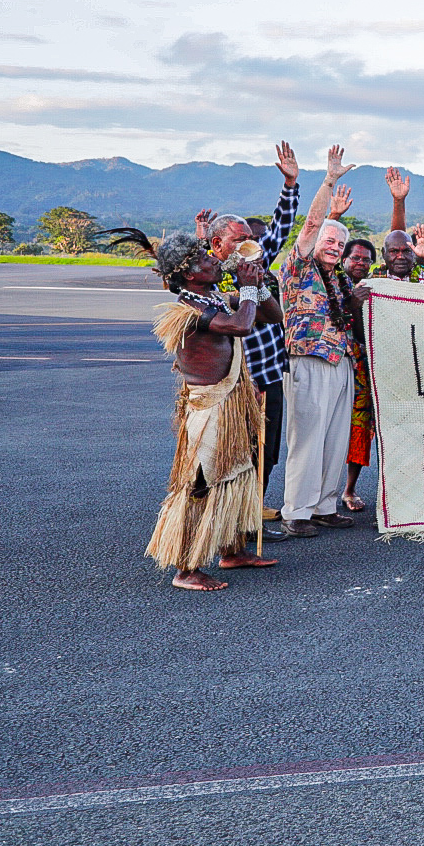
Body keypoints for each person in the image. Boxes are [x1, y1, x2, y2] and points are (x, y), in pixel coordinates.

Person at [129, 230, 283, 591]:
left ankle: (232, 551)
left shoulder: (215, 298)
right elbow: (241, 326)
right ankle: (186, 567)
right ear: (188, 273)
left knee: (239, 474)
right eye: (204, 257)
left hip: (234, 405)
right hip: (210, 408)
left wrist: (257, 284)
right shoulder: (186, 311)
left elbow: (272, 316)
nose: (215, 259)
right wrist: (245, 290)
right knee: (201, 483)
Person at [192, 141, 302, 535]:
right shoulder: (206, 276)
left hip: (267, 375)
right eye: (238, 240)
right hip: (231, 384)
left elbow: (281, 226)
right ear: (216, 244)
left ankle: (249, 517)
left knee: (265, 451)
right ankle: (214, 526)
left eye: (248, 240)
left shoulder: (253, 266)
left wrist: (291, 185)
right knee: (224, 457)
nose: (247, 247)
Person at [278, 146, 362, 537]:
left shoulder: (340, 278)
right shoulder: (298, 267)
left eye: (339, 245)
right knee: (308, 437)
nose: (334, 247)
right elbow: (311, 225)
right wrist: (328, 182)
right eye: (329, 241)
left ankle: (325, 505)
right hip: (309, 357)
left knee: (335, 436)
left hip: (341, 358)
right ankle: (297, 510)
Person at [338, 234, 378, 513]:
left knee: (360, 429)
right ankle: (319, 494)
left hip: (363, 369)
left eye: (366, 259)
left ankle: (348, 490)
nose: (361, 263)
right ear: (344, 260)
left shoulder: (374, 288)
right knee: (328, 429)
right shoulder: (331, 285)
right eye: (356, 258)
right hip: (335, 365)